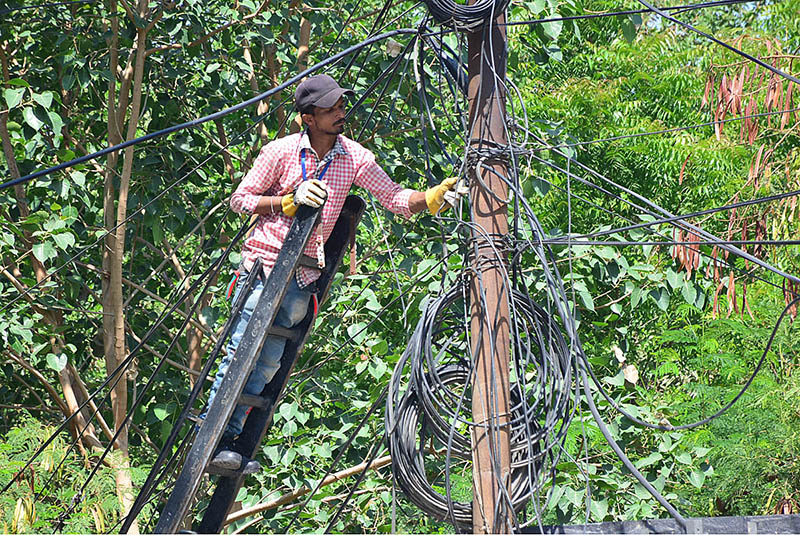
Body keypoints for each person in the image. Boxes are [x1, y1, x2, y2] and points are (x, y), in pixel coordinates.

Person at [204, 74, 460, 472]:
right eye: (331, 109)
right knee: (241, 351)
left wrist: (430, 198)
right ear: (309, 117)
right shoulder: (280, 152)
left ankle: (232, 440)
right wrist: (286, 201)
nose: (341, 113)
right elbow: (240, 200)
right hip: (264, 266)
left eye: (341, 106)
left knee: (269, 361)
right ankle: (213, 435)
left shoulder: (353, 156)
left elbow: (393, 197)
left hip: (302, 276)